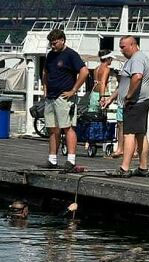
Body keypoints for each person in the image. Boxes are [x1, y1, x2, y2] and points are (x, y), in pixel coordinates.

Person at [104, 35, 149, 178]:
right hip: (142, 102)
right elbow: (124, 84)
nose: (121, 50)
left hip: (135, 103)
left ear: (132, 44)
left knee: (129, 134)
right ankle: (143, 168)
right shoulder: (137, 59)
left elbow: (137, 77)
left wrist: (129, 96)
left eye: (123, 46)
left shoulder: (136, 59)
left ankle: (124, 168)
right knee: (140, 135)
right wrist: (111, 98)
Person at [41, 29, 89, 173]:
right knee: (52, 128)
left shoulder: (71, 55)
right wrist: (45, 89)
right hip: (51, 97)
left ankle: (71, 159)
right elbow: (45, 72)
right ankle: (52, 159)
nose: (53, 46)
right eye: (51, 43)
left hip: (64, 97)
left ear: (62, 40)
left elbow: (84, 71)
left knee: (68, 127)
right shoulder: (50, 55)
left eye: (55, 43)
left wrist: (73, 90)